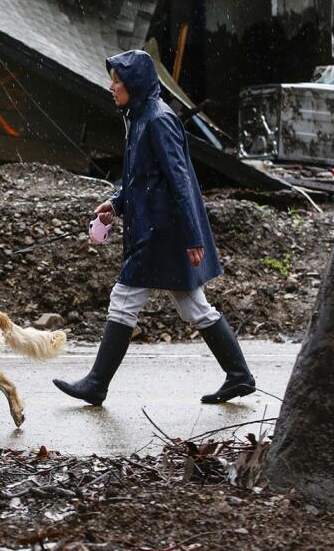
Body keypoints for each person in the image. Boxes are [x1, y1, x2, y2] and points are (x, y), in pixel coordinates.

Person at [54, 50, 255, 406]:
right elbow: (143, 177)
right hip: (160, 230)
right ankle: (239, 375)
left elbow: (180, 182)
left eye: (117, 81)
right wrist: (116, 204)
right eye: (113, 80)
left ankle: (96, 384)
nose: (111, 87)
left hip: (163, 233)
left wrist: (193, 237)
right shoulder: (140, 116)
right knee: (195, 307)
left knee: (125, 300)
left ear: (135, 83)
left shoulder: (157, 120)